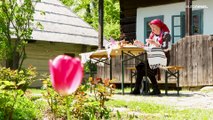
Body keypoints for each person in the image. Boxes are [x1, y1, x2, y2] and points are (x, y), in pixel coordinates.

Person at [130, 19, 171, 95]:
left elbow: (166, 48)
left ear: (159, 27)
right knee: (140, 67)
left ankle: (140, 89)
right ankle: (139, 89)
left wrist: (155, 43)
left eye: (154, 28)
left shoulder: (166, 34)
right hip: (153, 58)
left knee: (146, 67)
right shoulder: (152, 35)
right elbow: (148, 47)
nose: (153, 30)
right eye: (151, 28)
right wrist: (141, 44)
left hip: (163, 58)